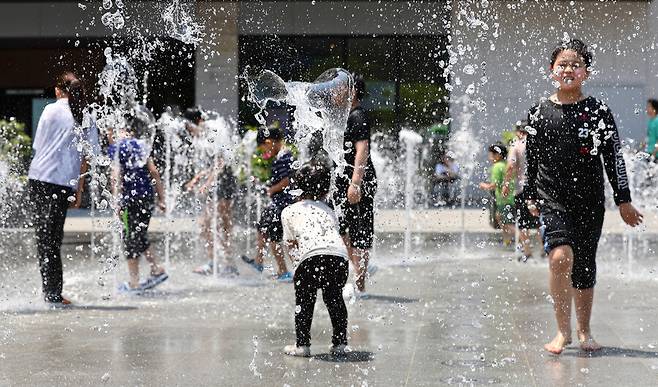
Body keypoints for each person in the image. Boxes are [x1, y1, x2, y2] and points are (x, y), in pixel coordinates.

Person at [525, 39, 643, 354]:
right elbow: (532, 159)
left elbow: (613, 157)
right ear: (552, 70)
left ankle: (584, 331)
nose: (568, 69)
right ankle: (562, 332)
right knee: (560, 258)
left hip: (590, 201)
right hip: (552, 200)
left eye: (575, 64)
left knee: (584, 266)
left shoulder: (598, 111)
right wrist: (529, 196)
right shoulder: (538, 112)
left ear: (586, 72)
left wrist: (624, 199)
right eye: (562, 64)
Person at [28, 72, 98, 305]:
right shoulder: (86, 114)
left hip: (39, 178)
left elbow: (38, 146)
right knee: (52, 239)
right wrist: (78, 189)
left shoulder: (50, 110)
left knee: (45, 239)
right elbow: (88, 156)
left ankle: (52, 293)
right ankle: (53, 293)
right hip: (62, 183)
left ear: (59, 90)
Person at [281, 161, 349, 357]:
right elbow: (335, 236)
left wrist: (297, 267)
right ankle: (340, 343)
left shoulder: (289, 211)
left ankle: (302, 345)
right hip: (338, 256)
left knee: (304, 300)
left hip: (310, 257)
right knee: (334, 298)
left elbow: (291, 244)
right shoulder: (329, 210)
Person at [108, 114, 168, 294]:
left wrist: (116, 202)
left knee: (129, 239)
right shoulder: (142, 144)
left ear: (116, 131)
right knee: (139, 234)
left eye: (108, 132)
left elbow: (115, 176)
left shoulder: (117, 147)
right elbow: (155, 172)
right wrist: (161, 198)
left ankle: (134, 283)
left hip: (129, 200)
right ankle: (157, 269)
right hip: (147, 198)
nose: (108, 137)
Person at [334, 74, 378, 295]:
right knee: (342, 228)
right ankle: (354, 274)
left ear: (351, 92)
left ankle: (360, 285)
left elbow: (363, 150)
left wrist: (355, 185)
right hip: (346, 180)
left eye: (339, 88)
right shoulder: (346, 117)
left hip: (357, 181)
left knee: (359, 231)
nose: (335, 92)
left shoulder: (358, 116)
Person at [241, 127, 294, 282]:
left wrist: (271, 190)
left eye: (263, 146)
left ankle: (283, 271)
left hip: (282, 204)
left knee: (273, 237)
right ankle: (258, 261)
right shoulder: (281, 156)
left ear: (269, 142)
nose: (263, 151)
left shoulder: (283, 157)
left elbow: (286, 181)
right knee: (262, 226)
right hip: (277, 203)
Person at [187, 157, 239, 277]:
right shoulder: (207, 141)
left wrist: (207, 184)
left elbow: (221, 164)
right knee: (210, 225)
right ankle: (215, 262)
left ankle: (227, 264)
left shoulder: (219, 140)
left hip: (224, 185)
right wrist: (198, 177)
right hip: (219, 185)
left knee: (221, 226)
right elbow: (213, 166)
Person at [502, 121, 543, 261]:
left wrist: (506, 184)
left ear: (519, 132)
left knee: (523, 223)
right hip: (540, 188)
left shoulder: (517, 145)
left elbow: (510, 166)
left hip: (523, 188)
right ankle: (545, 250)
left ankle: (527, 252)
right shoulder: (539, 143)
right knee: (540, 221)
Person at [479, 143, 515, 246]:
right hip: (509, 198)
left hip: (504, 199)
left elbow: (494, 185)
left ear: (498, 155)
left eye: (491, 154)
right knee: (499, 217)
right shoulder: (505, 165)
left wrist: (483, 185)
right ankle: (507, 241)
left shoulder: (497, 167)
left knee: (508, 223)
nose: (489, 157)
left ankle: (521, 239)